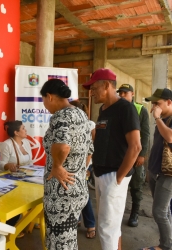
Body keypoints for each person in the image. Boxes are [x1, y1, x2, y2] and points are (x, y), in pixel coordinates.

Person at [82, 68, 141, 250]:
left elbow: (136, 146)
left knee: (107, 228)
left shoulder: (125, 108)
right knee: (111, 226)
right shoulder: (103, 109)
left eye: (94, 88)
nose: (91, 92)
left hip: (114, 175)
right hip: (101, 174)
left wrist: (118, 179)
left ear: (107, 85)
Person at [40, 79, 93, 249]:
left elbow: (62, 147)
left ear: (49, 97)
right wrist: (80, 172)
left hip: (61, 194)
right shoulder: (80, 114)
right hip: (77, 189)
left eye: (43, 100)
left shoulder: (60, 116)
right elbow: (90, 149)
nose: (45, 106)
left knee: (59, 243)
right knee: (68, 241)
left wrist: (57, 167)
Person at [141, 88, 172, 250]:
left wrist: (157, 117)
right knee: (164, 211)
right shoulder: (162, 119)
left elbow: (170, 137)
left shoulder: (165, 118)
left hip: (168, 174)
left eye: (157, 103)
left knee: (159, 212)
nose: (154, 107)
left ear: (169, 102)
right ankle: (168, 241)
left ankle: (166, 246)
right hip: (155, 171)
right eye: (153, 104)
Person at [117, 84, 150, 227]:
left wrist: (142, 155)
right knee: (119, 185)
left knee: (136, 185)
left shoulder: (140, 109)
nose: (123, 95)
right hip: (120, 154)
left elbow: (146, 133)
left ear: (132, 93)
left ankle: (134, 213)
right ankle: (119, 212)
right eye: (121, 93)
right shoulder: (116, 108)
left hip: (135, 154)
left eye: (126, 93)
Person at [70, 100, 96, 239]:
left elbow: (90, 149)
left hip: (84, 165)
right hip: (72, 166)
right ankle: (77, 219)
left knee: (84, 196)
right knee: (73, 193)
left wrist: (85, 168)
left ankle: (91, 224)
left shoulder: (90, 125)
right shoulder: (70, 124)